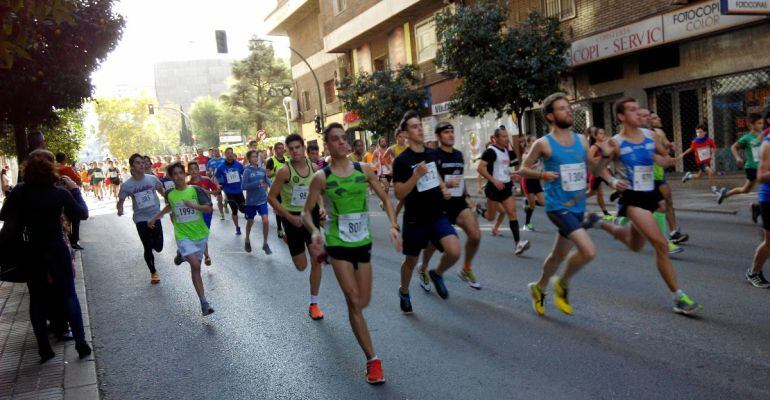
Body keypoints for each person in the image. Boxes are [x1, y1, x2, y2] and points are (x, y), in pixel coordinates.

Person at [303, 123, 400, 384]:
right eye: (334, 140)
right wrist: (314, 231)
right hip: (338, 243)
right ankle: (372, 361)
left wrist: (392, 224)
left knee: (364, 300)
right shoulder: (321, 177)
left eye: (343, 138)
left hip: (362, 243)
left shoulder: (364, 170)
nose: (341, 143)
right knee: (354, 301)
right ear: (327, 146)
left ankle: (368, 348)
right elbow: (305, 212)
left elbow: (385, 199)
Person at [595, 97, 702, 315]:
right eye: (633, 110)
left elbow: (660, 158)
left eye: (638, 109)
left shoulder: (650, 136)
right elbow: (598, 169)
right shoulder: (615, 143)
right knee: (661, 244)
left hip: (650, 192)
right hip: (632, 197)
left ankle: (605, 225)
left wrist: (667, 160)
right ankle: (678, 297)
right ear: (622, 117)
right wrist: (613, 181)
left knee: (634, 244)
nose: (638, 114)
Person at [520, 93, 613, 316]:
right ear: (551, 116)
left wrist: (608, 163)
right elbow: (523, 169)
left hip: (577, 205)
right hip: (557, 207)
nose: (568, 111)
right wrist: (541, 175)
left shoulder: (581, 140)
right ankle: (562, 283)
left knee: (557, 256)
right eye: (562, 108)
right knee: (588, 251)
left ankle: (539, 287)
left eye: (569, 107)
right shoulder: (543, 144)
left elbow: (594, 170)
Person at [0, 150, 91, 362]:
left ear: (27, 171)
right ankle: (81, 342)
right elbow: (82, 213)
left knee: (38, 300)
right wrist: (75, 189)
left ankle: (44, 349)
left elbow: (3, 215)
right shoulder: (60, 193)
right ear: (51, 171)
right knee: (69, 294)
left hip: (32, 250)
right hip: (57, 247)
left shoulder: (21, 191)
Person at [392, 110, 460, 312]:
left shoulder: (432, 153)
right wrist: (415, 176)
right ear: (405, 134)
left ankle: (436, 273)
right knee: (410, 262)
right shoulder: (402, 161)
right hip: (415, 219)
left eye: (420, 125)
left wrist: (443, 187)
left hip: (437, 214)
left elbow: (435, 174)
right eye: (414, 126)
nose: (420, 129)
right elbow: (398, 193)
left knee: (455, 250)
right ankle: (404, 291)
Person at [417, 122, 483, 290]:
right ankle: (423, 268)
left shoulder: (458, 155)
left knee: (475, 235)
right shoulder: (433, 155)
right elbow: (430, 179)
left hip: (458, 203)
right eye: (446, 132)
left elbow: (459, 179)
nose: (451, 135)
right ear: (438, 136)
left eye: (452, 132)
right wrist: (445, 184)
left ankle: (465, 268)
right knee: (433, 244)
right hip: (439, 205)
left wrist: (467, 197)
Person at [267, 134, 326, 320]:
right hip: (292, 219)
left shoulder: (315, 169)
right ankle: (289, 240)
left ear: (303, 148)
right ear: (287, 150)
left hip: (310, 216)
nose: (295, 151)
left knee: (317, 259)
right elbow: (271, 197)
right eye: (291, 148)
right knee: (302, 266)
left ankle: (314, 304)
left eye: (298, 147)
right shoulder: (284, 171)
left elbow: (317, 193)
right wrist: (288, 217)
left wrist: (322, 208)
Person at [148, 162, 215, 316]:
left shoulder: (195, 190)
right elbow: (169, 207)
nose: (178, 176)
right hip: (182, 235)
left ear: (185, 175)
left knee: (195, 265)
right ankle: (204, 302)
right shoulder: (170, 194)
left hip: (200, 233)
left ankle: (181, 255)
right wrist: (155, 218)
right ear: (171, 177)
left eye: (180, 173)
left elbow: (209, 208)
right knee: (196, 265)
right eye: (174, 174)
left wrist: (194, 206)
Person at [476, 128, 530, 255]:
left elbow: (503, 170)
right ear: (496, 138)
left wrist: (512, 176)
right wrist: (494, 180)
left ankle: (518, 244)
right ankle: (480, 210)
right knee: (491, 217)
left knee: (511, 213)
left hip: (505, 188)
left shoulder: (506, 150)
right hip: (493, 188)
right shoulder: (490, 151)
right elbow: (480, 168)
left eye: (507, 136)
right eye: (503, 137)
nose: (506, 139)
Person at [117, 154, 168, 283]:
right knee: (147, 246)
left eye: (142, 163)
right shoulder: (127, 185)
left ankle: (153, 246)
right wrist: (120, 209)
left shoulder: (152, 179)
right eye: (138, 163)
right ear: (132, 166)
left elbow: (161, 190)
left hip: (155, 216)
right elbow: (121, 200)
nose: (142, 165)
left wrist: (169, 199)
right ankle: (153, 272)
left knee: (159, 247)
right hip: (141, 218)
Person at [645, 110, 689, 248]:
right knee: (654, 206)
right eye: (654, 117)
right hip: (647, 174)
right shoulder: (643, 135)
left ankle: (674, 232)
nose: (658, 118)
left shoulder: (660, 133)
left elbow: (666, 147)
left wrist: (671, 146)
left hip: (659, 172)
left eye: (657, 116)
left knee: (668, 201)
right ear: (648, 121)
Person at [717, 113, 765, 209]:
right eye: (759, 123)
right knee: (765, 188)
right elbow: (733, 147)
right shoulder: (747, 138)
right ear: (751, 125)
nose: (762, 125)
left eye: (762, 123)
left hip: (763, 167)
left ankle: (726, 194)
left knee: (745, 190)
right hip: (752, 168)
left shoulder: (764, 135)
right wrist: (738, 158)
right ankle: (761, 208)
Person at [748, 131, 770, 288]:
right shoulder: (767, 145)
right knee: (769, 242)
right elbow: (761, 176)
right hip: (768, 198)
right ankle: (754, 272)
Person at [242, 149, 272, 254]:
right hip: (251, 202)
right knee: (250, 222)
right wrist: (256, 183)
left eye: (257, 156)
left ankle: (265, 243)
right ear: (249, 159)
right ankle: (247, 239)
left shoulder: (262, 170)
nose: (256, 158)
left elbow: (269, 182)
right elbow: (243, 186)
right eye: (253, 157)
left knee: (266, 221)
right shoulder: (247, 171)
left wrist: (275, 189)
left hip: (262, 200)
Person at [188, 162, 218, 266]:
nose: (194, 171)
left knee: (204, 233)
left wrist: (211, 191)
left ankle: (203, 253)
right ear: (188, 171)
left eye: (195, 168)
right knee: (202, 233)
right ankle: (206, 255)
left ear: (198, 169)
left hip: (207, 210)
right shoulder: (188, 185)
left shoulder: (206, 180)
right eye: (191, 169)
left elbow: (216, 191)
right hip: (195, 212)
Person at [55, 153, 83, 249]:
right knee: (76, 217)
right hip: (69, 196)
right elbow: (78, 180)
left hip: (55, 198)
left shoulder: (52, 169)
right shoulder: (67, 169)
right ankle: (74, 240)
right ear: (65, 159)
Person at [214, 148, 245, 235]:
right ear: (225, 155)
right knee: (234, 211)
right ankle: (237, 227)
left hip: (239, 191)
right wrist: (217, 185)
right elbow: (216, 177)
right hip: (229, 192)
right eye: (228, 153)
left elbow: (245, 174)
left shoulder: (239, 165)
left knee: (243, 209)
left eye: (231, 153)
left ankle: (241, 209)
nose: (230, 155)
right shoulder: (221, 166)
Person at [680, 123, 718, 192]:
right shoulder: (695, 142)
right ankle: (714, 189)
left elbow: (714, 147)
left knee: (698, 176)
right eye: (697, 132)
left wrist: (713, 150)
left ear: (705, 132)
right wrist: (683, 154)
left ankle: (688, 176)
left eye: (700, 132)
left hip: (707, 161)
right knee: (711, 172)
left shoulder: (709, 140)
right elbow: (690, 149)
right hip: (701, 162)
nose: (698, 133)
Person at [585, 128, 613, 219]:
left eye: (603, 133)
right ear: (595, 136)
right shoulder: (594, 147)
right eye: (600, 133)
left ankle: (606, 213)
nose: (603, 135)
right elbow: (589, 159)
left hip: (604, 171)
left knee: (615, 185)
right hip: (596, 172)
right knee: (593, 192)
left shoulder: (604, 145)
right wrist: (601, 158)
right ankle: (574, 201)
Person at [521, 136, 545, 231]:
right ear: (529, 143)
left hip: (536, 180)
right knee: (532, 206)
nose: (536, 142)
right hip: (528, 180)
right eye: (533, 141)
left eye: (536, 140)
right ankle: (527, 224)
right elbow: (525, 167)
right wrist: (537, 164)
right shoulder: (525, 154)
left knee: (542, 202)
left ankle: (527, 201)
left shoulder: (537, 153)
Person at [266, 142, 288, 239]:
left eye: (282, 148)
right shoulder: (271, 160)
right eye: (279, 148)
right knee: (279, 209)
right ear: (275, 150)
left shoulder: (287, 159)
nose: (281, 150)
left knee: (288, 208)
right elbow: (267, 174)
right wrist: (276, 173)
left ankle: (288, 228)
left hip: (287, 188)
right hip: (277, 188)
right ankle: (279, 228)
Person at [206, 148, 227, 219]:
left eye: (217, 151)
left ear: (219, 151)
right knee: (219, 198)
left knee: (228, 197)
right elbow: (207, 172)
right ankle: (222, 214)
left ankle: (226, 204)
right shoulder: (210, 161)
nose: (216, 152)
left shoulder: (224, 160)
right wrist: (209, 172)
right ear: (213, 152)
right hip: (216, 181)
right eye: (215, 151)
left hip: (225, 181)